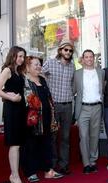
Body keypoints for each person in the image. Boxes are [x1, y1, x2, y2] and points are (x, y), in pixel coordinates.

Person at [21, 56, 63, 182]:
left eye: (39, 64)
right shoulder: (25, 82)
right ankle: (31, 172)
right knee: (31, 145)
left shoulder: (42, 80)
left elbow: (48, 98)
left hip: (46, 117)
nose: (39, 66)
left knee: (47, 144)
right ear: (27, 67)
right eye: (35, 64)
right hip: (32, 120)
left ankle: (48, 170)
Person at [0, 46, 27, 183]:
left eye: (23, 56)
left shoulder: (19, 72)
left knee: (18, 144)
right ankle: (14, 176)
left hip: (20, 109)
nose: (21, 59)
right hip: (11, 110)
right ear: (13, 56)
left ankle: (14, 175)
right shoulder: (7, 70)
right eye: (19, 56)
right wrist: (10, 97)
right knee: (14, 144)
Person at [42, 39, 75, 175]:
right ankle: (52, 164)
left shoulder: (72, 66)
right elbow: (39, 74)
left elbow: (73, 84)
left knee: (65, 137)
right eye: (65, 50)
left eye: (70, 50)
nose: (68, 52)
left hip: (68, 105)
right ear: (60, 50)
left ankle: (64, 165)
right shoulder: (50, 63)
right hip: (53, 105)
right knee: (53, 136)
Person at [74, 49, 105, 174]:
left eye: (91, 57)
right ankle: (86, 163)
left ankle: (93, 161)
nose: (89, 59)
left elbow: (103, 89)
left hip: (97, 107)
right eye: (86, 57)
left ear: (94, 58)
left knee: (94, 136)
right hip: (83, 108)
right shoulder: (77, 74)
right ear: (83, 59)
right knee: (84, 136)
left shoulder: (101, 72)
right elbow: (73, 91)